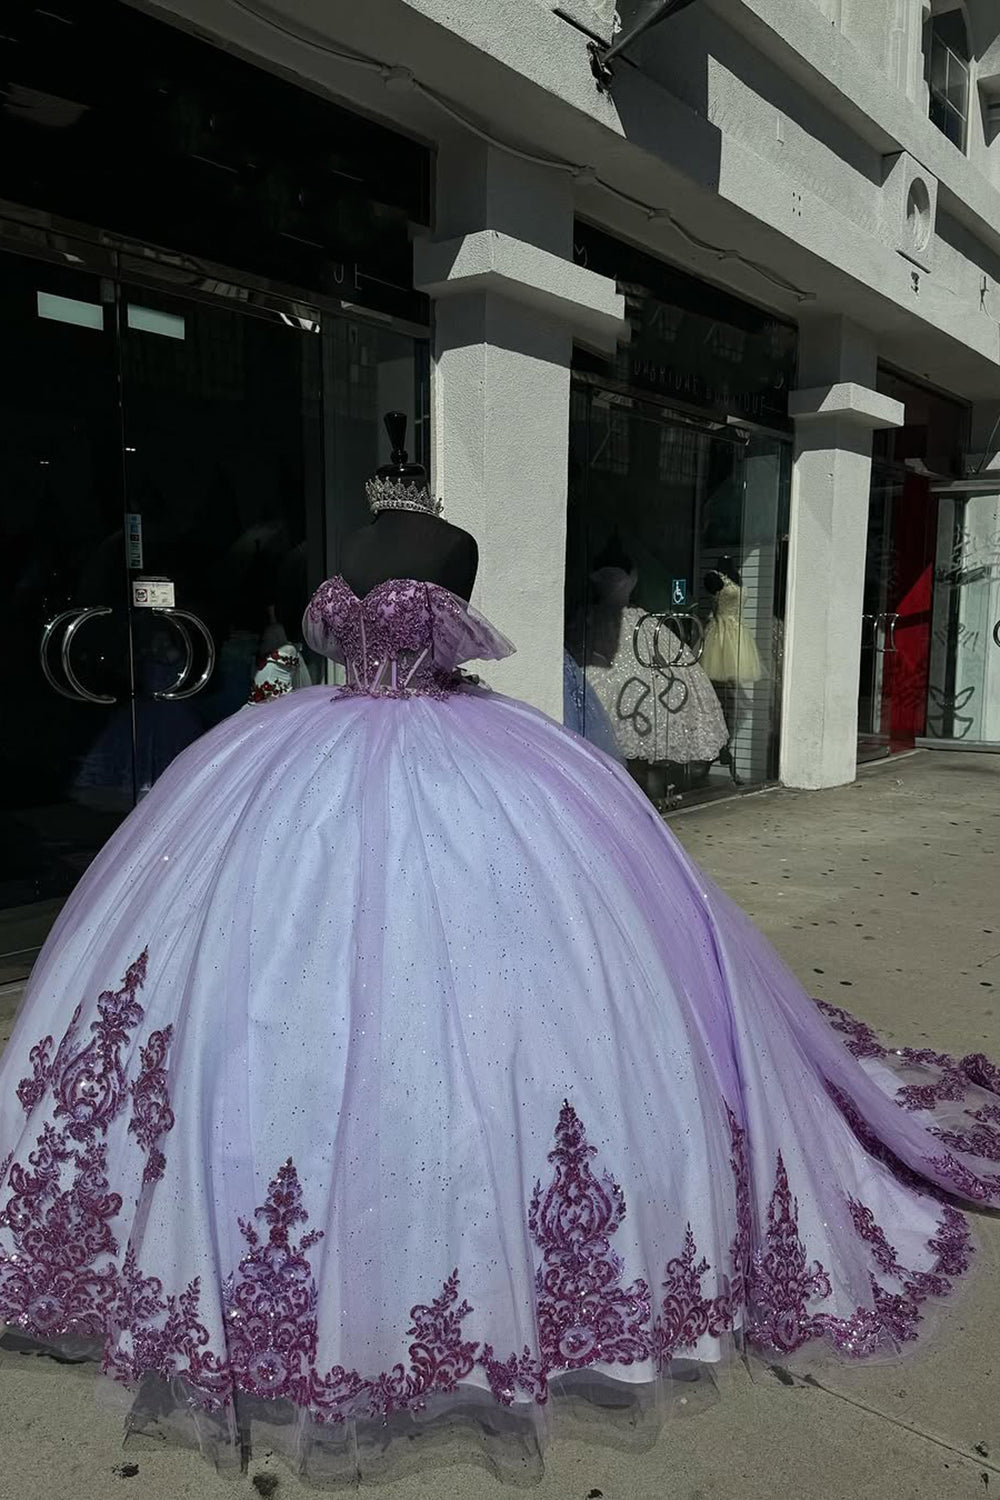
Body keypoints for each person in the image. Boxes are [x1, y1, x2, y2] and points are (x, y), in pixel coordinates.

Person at [0, 425, 997, 1485]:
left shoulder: (443, 548)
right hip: (324, 760)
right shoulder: (383, 559)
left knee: (514, 995)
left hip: (431, 763)